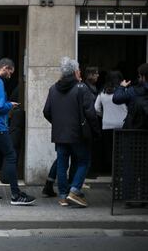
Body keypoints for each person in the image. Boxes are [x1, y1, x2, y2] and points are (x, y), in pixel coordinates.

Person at [43, 57, 100, 207]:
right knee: (83, 161)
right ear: (75, 71)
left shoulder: (53, 89)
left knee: (62, 164)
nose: (80, 71)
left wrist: (57, 124)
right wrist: (96, 131)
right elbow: (91, 113)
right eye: (79, 69)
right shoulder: (81, 88)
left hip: (60, 134)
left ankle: (63, 196)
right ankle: (74, 190)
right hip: (78, 134)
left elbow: (46, 111)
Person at [0, 58, 35, 205]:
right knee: (10, 155)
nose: (10, 75)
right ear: (5, 67)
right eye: (10, 72)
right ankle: (16, 195)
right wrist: (10, 104)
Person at [94, 71, 127, 173]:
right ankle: (120, 174)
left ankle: (112, 174)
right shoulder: (124, 91)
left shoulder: (102, 92)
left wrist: (104, 115)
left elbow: (96, 108)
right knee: (121, 152)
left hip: (107, 125)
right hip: (122, 126)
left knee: (109, 152)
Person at [113, 63, 148, 129]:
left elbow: (116, 98)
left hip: (133, 131)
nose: (138, 79)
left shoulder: (133, 90)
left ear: (143, 77)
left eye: (139, 76)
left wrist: (122, 86)